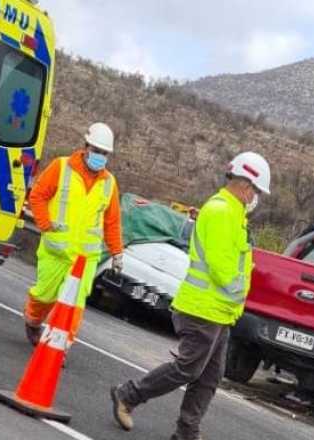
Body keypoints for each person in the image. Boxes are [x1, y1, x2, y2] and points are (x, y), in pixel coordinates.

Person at [109, 152, 271, 440]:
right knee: (188, 368)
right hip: (203, 308)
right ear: (246, 186)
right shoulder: (222, 212)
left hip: (218, 311)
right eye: (256, 191)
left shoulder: (234, 214)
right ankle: (128, 395)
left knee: (209, 376)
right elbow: (222, 268)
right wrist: (240, 291)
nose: (255, 198)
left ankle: (187, 431)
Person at [23, 122, 123, 346]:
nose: (100, 156)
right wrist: (45, 225)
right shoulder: (61, 167)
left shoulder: (109, 183)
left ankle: (60, 345)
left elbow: (112, 221)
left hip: (85, 259)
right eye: (96, 150)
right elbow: (37, 195)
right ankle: (33, 321)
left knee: (74, 305)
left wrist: (117, 252)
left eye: (104, 153)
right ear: (86, 147)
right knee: (43, 296)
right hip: (56, 251)